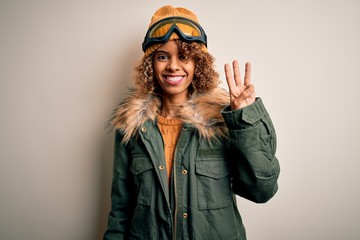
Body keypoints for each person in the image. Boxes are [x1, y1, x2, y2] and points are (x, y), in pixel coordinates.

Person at [103, 5, 280, 240]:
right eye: (162, 56)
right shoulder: (131, 127)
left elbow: (262, 190)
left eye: (184, 56)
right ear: (150, 64)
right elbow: (121, 209)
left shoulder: (222, 121)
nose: (173, 66)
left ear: (198, 64)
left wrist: (244, 119)